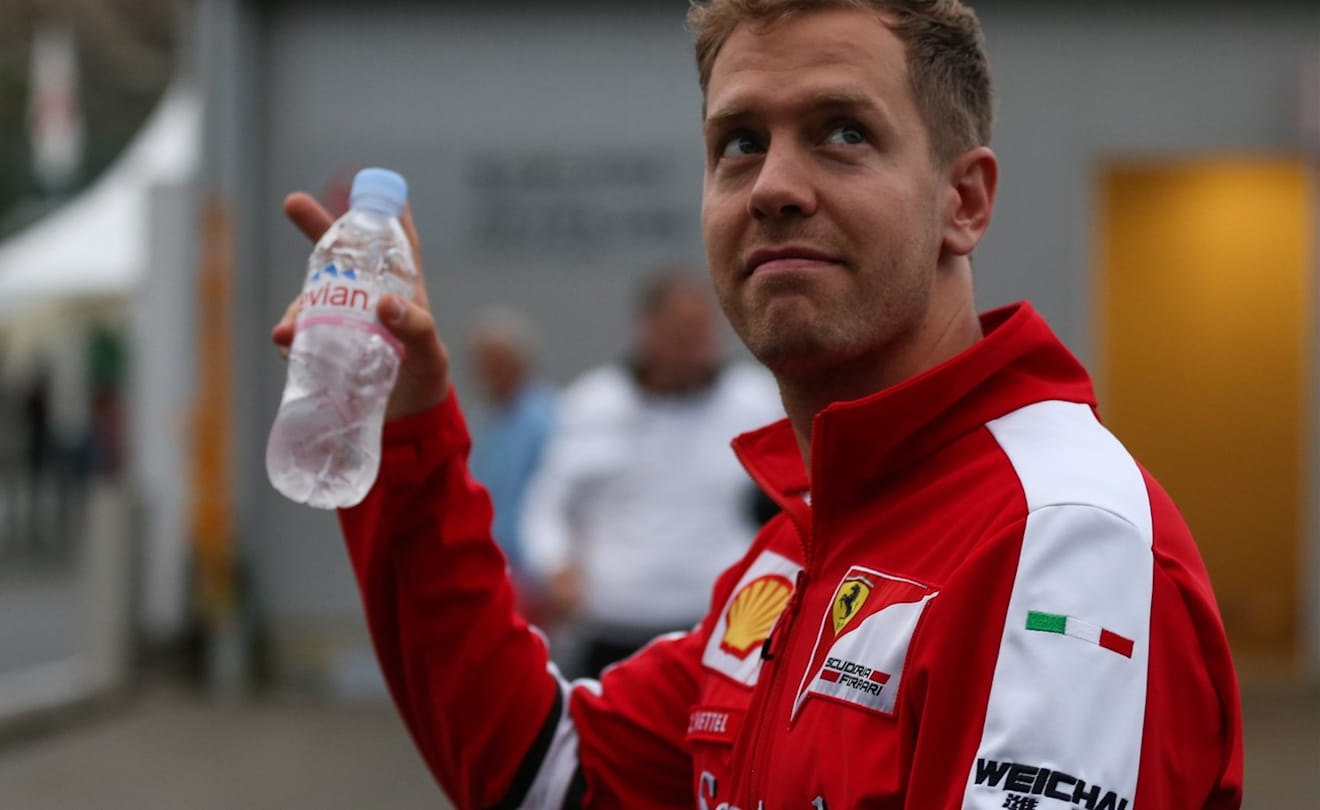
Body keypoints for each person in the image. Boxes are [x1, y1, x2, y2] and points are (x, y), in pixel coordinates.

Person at [270, 1, 1244, 807]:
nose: (774, 185)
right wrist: (401, 435)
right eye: (739, 143)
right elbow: (545, 771)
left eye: (843, 134)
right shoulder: (796, 550)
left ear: (965, 202)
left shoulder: (1057, 536)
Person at [521, 271, 780, 677]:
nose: (695, 348)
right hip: (613, 632)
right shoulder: (591, 404)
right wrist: (555, 566)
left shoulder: (756, 399)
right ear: (646, 329)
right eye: (681, 333)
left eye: (701, 333)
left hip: (727, 630)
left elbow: (800, 497)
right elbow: (547, 503)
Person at [466, 307, 555, 602]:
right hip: (494, 565)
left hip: (531, 572)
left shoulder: (546, 418)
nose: (487, 374)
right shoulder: (487, 420)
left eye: (496, 363)